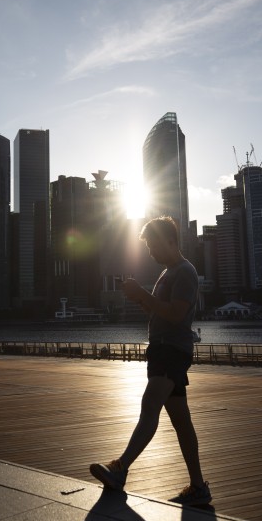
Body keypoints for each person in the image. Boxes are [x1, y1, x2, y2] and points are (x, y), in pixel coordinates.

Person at [89, 216, 211, 506]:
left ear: (170, 241)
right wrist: (141, 299)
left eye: (153, 245)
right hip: (162, 349)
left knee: (150, 405)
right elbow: (160, 313)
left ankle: (121, 468)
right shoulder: (168, 272)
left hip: (171, 350)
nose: (150, 252)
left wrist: (144, 294)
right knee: (182, 422)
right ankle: (198, 487)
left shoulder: (185, 272)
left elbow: (177, 314)